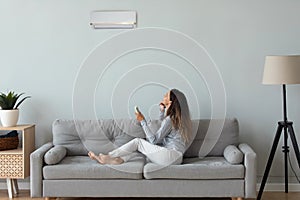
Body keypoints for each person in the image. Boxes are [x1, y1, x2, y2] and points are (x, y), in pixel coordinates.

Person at [88, 89, 192, 165]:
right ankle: (116, 161)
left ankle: (109, 156)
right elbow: (164, 127)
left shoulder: (170, 119)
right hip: (177, 158)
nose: (163, 96)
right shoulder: (179, 119)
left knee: (138, 142)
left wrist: (142, 121)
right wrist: (162, 111)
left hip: (170, 156)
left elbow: (154, 141)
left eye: (166, 96)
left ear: (171, 102)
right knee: (138, 152)